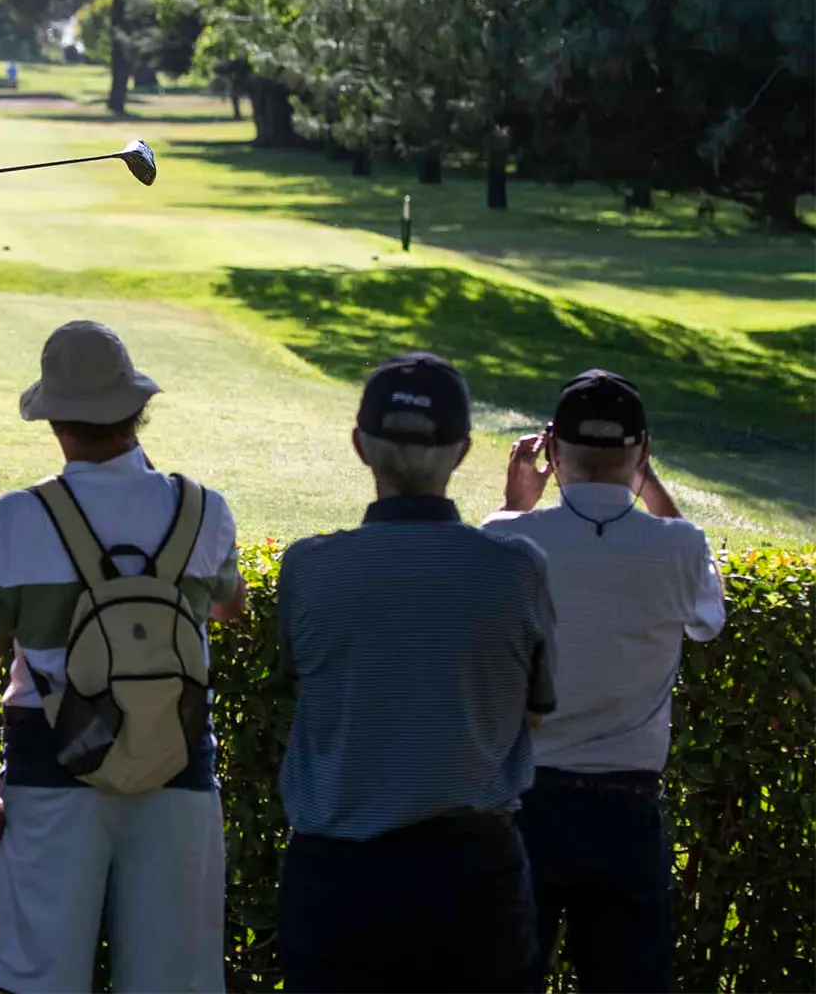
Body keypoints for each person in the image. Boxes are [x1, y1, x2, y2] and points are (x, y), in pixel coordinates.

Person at [0, 321, 245, 994]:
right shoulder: (204, 512)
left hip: (52, 768)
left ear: (54, 421)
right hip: (177, 765)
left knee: (38, 979)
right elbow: (231, 607)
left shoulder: (14, 519)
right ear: (135, 409)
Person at [275, 351, 556, 994]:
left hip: (337, 886)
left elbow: (304, 680)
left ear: (360, 447)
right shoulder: (516, 569)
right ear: (460, 452)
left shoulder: (310, 568)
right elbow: (535, 707)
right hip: (473, 883)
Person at [483, 370, 725, 993]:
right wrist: (649, 487)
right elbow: (708, 619)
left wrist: (515, 503)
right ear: (641, 454)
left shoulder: (507, 537)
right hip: (627, 813)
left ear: (552, 451)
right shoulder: (680, 547)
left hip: (526, 805)